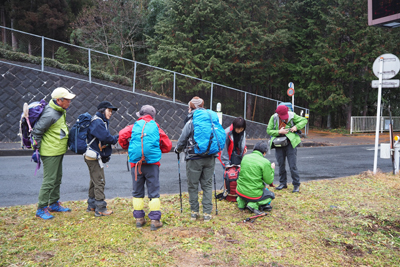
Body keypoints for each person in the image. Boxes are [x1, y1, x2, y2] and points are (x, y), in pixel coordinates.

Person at [118, 105, 172, 231]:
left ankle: (139, 219)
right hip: (152, 164)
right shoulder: (156, 128)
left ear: (140, 115)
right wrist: (157, 151)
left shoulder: (134, 127)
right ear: (153, 116)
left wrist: (127, 146)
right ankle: (155, 220)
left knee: (137, 191)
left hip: (136, 164)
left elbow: (121, 135)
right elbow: (168, 146)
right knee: (154, 192)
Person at [175, 96, 224, 222]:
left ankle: (194, 212)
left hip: (194, 158)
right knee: (207, 185)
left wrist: (177, 149)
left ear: (191, 108)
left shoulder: (191, 122)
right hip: (210, 157)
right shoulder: (211, 119)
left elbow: (182, 139)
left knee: (193, 185)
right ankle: (207, 213)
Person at [31, 87, 76, 220]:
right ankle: (41, 208)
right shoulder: (50, 114)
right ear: (59, 100)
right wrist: (36, 150)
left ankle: (54, 203)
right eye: (67, 100)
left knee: (57, 178)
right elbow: (37, 132)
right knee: (49, 180)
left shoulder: (60, 111)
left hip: (58, 150)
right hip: (50, 152)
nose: (69, 102)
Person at [84, 101, 119, 217]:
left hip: (91, 155)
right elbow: (106, 137)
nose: (111, 113)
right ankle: (100, 208)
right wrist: (118, 137)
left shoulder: (99, 121)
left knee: (94, 180)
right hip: (93, 155)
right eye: (109, 111)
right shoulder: (98, 122)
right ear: (102, 110)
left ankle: (92, 205)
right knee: (100, 181)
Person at [266, 105, 308, 193]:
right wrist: (279, 132)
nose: (285, 117)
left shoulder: (292, 115)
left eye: (286, 115)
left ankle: (296, 185)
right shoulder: (273, 118)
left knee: (292, 165)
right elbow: (269, 130)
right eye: (282, 116)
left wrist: (296, 127)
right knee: (281, 164)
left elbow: (304, 120)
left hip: (290, 144)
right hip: (279, 143)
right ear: (277, 114)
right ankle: (282, 183)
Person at [236, 141, 275, 214]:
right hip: (253, 194)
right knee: (271, 195)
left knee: (245, 193)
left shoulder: (245, 157)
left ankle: (241, 202)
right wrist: (272, 169)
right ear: (264, 152)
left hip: (240, 190)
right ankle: (253, 204)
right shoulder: (265, 162)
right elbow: (269, 181)